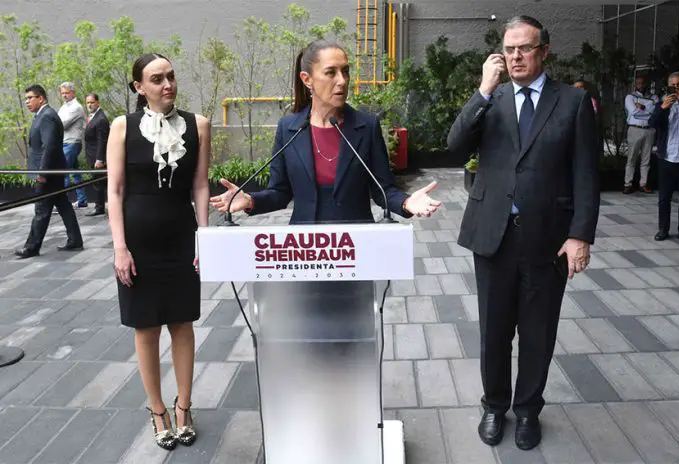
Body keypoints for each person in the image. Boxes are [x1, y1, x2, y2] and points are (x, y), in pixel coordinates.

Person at [447, 15, 600, 451]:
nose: (515, 56)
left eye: (525, 48)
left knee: (538, 332)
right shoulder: (490, 99)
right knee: (494, 330)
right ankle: (495, 405)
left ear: (544, 51)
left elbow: (585, 174)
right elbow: (455, 144)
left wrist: (580, 235)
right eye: (509, 48)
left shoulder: (571, 102)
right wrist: (482, 89)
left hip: (547, 238)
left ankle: (529, 409)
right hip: (492, 236)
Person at [210, 40, 441, 223]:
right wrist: (249, 200)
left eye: (346, 71)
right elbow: (280, 193)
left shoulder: (367, 127)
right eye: (331, 73)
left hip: (355, 246)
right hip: (305, 250)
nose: (342, 81)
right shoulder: (288, 129)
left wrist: (407, 202)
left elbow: (383, 191)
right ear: (307, 79)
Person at [106, 53, 210, 450]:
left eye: (170, 76)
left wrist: (204, 235)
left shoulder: (199, 125)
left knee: (182, 323)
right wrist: (120, 247)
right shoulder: (122, 126)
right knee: (145, 328)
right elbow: (114, 192)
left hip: (182, 236)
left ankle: (184, 406)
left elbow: (200, 186)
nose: (167, 84)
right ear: (139, 87)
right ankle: (157, 410)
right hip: (138, 242)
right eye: (156, 79)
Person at [15, 85, 84, 259]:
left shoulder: (47, 116)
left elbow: (50, 147)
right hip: (53, 171)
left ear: (41, 98)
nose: (27, 102)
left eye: (30, 98)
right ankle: (75, 240)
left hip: (49, 172)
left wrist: (42, 172)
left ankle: (31, 247)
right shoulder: (43, 116)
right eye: (26, 99)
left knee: (41, 209)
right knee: (63, 204)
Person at [650, 71, 679, 243]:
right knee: (664, 198)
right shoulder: (662, 104)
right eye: (673, 85)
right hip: (666, 158)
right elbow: (653, 123)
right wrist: (662, 108)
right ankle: (663, 229)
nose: (676, 88)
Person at [623, 75, 659, 194]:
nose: (641, 86)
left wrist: (642, 107)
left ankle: (643, 184)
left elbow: (656, 112)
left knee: (646, 158)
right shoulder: (630, 97)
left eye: (643, 83)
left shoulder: (654, 97)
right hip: (635, 129)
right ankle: (628, 184)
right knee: (631, 158)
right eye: (639, 84)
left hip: (649, 129)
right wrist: (648, 110)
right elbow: (633, 111)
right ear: (635, 85)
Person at [58, 82, 88, 208]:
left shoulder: (76, 107)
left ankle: (61, 203)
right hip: (66, 143)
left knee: (62, 172)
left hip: (71, 143)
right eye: (62, 93)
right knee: (75, 173)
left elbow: (61, 124)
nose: (64, 95)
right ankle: (82, 200)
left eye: (67, 93)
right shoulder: (64, 106)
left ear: (73, 93)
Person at [84, 93, 110, 216]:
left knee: (100, 183)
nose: (89, 105)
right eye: (87, 102)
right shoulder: (93, 116)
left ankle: (100, 207)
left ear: (98, 103)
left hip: (97, 157)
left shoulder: (101, 119)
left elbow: (102, 140)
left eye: (92, 102)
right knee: (98, 183)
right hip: (91, 155)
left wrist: (100, 158)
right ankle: (99, 206)